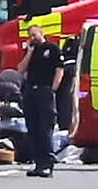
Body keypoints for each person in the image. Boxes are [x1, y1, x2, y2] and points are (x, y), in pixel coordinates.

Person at [17, 24, 64, 178]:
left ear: (41, 33)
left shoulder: (52, 48)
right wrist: (29, 53)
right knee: (33, 129)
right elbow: (20, 69)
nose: (32, 38)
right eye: (29, 36)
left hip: (45, 91)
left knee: (45, 128)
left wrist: (53, 89)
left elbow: (59, 70)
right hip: (31, 91)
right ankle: (38, 164)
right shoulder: (30, 51)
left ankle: (47, 165)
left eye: (34, 35)